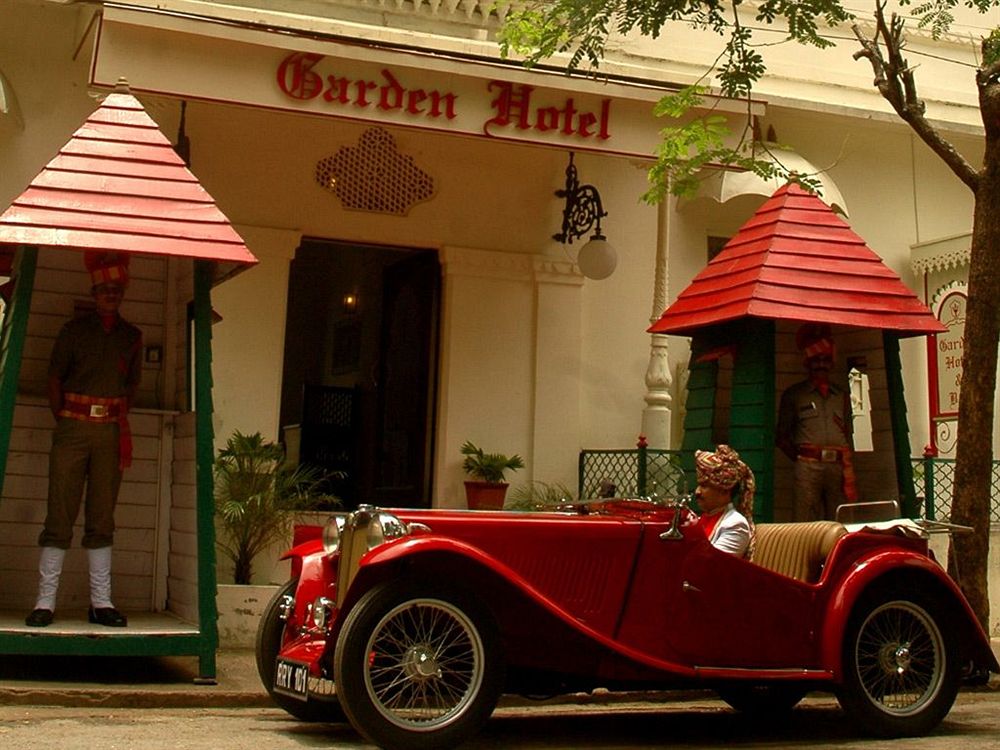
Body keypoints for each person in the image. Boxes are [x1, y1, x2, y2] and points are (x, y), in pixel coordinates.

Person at [24, 252, 142, 628]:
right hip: (73, 428)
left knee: (102, 514)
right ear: (94, 292)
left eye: (115, 289)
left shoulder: (131, 337)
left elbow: (132, 387)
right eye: (104, 289)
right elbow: (54, 380)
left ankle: (101, 603)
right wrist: (65, 420)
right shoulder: (73, 332)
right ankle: (45, 603)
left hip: (110, 430)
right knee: (59, 511)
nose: (110, 295)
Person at [776, 323, 857, 522]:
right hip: (808, 466)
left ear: (831, 363)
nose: (821, 364)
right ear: (807, 363)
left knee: (840, 519)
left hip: (837, 467)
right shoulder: (795, 395)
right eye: (816, 360)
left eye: (825, 360)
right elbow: (782, 437)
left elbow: (848, 431)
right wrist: (803, 457)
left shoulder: (841, 396)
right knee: (805, 520)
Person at [694, 444, 756, 559]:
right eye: (699, 485)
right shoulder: (698, 520)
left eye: (704, 486)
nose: (697, 492)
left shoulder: (735, 524)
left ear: (724, 491)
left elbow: (712, 566)